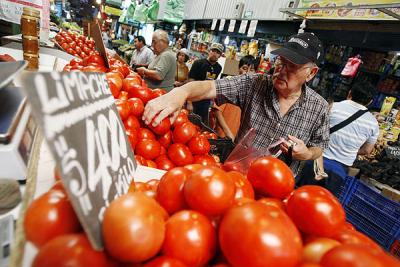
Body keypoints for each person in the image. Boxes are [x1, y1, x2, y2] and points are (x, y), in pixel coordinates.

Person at [143, 32, 329, 175]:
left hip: (277, 189)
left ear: (311, 73)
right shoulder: (254, 83)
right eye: (281, 62)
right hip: (237, 178)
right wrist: (182, 92)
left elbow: (319, 145)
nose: (281, 70)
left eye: (292, 66)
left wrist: (306, 154)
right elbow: (209, 87)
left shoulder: (318, 107)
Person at [297, 80, 379, 188]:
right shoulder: (373, 123)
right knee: (323, 202)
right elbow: (367, 150)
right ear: (370, 101)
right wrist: (350, 150)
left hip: (315, 161)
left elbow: (312, 129)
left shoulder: (332, 107)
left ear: (350, 93)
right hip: (339, 171)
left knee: (299, 195)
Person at [187, 43, 224, 125]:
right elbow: (190, 81)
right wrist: (189, 102)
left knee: (201, 124)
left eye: (217, 52)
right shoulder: (198, 63)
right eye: (213, 51)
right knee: (188, 123)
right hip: (194, 98)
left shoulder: (218, 68)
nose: (214, 53)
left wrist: (211, 101)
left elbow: (212, 83)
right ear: (209, 51)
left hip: (205, 101)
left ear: (220, 55)